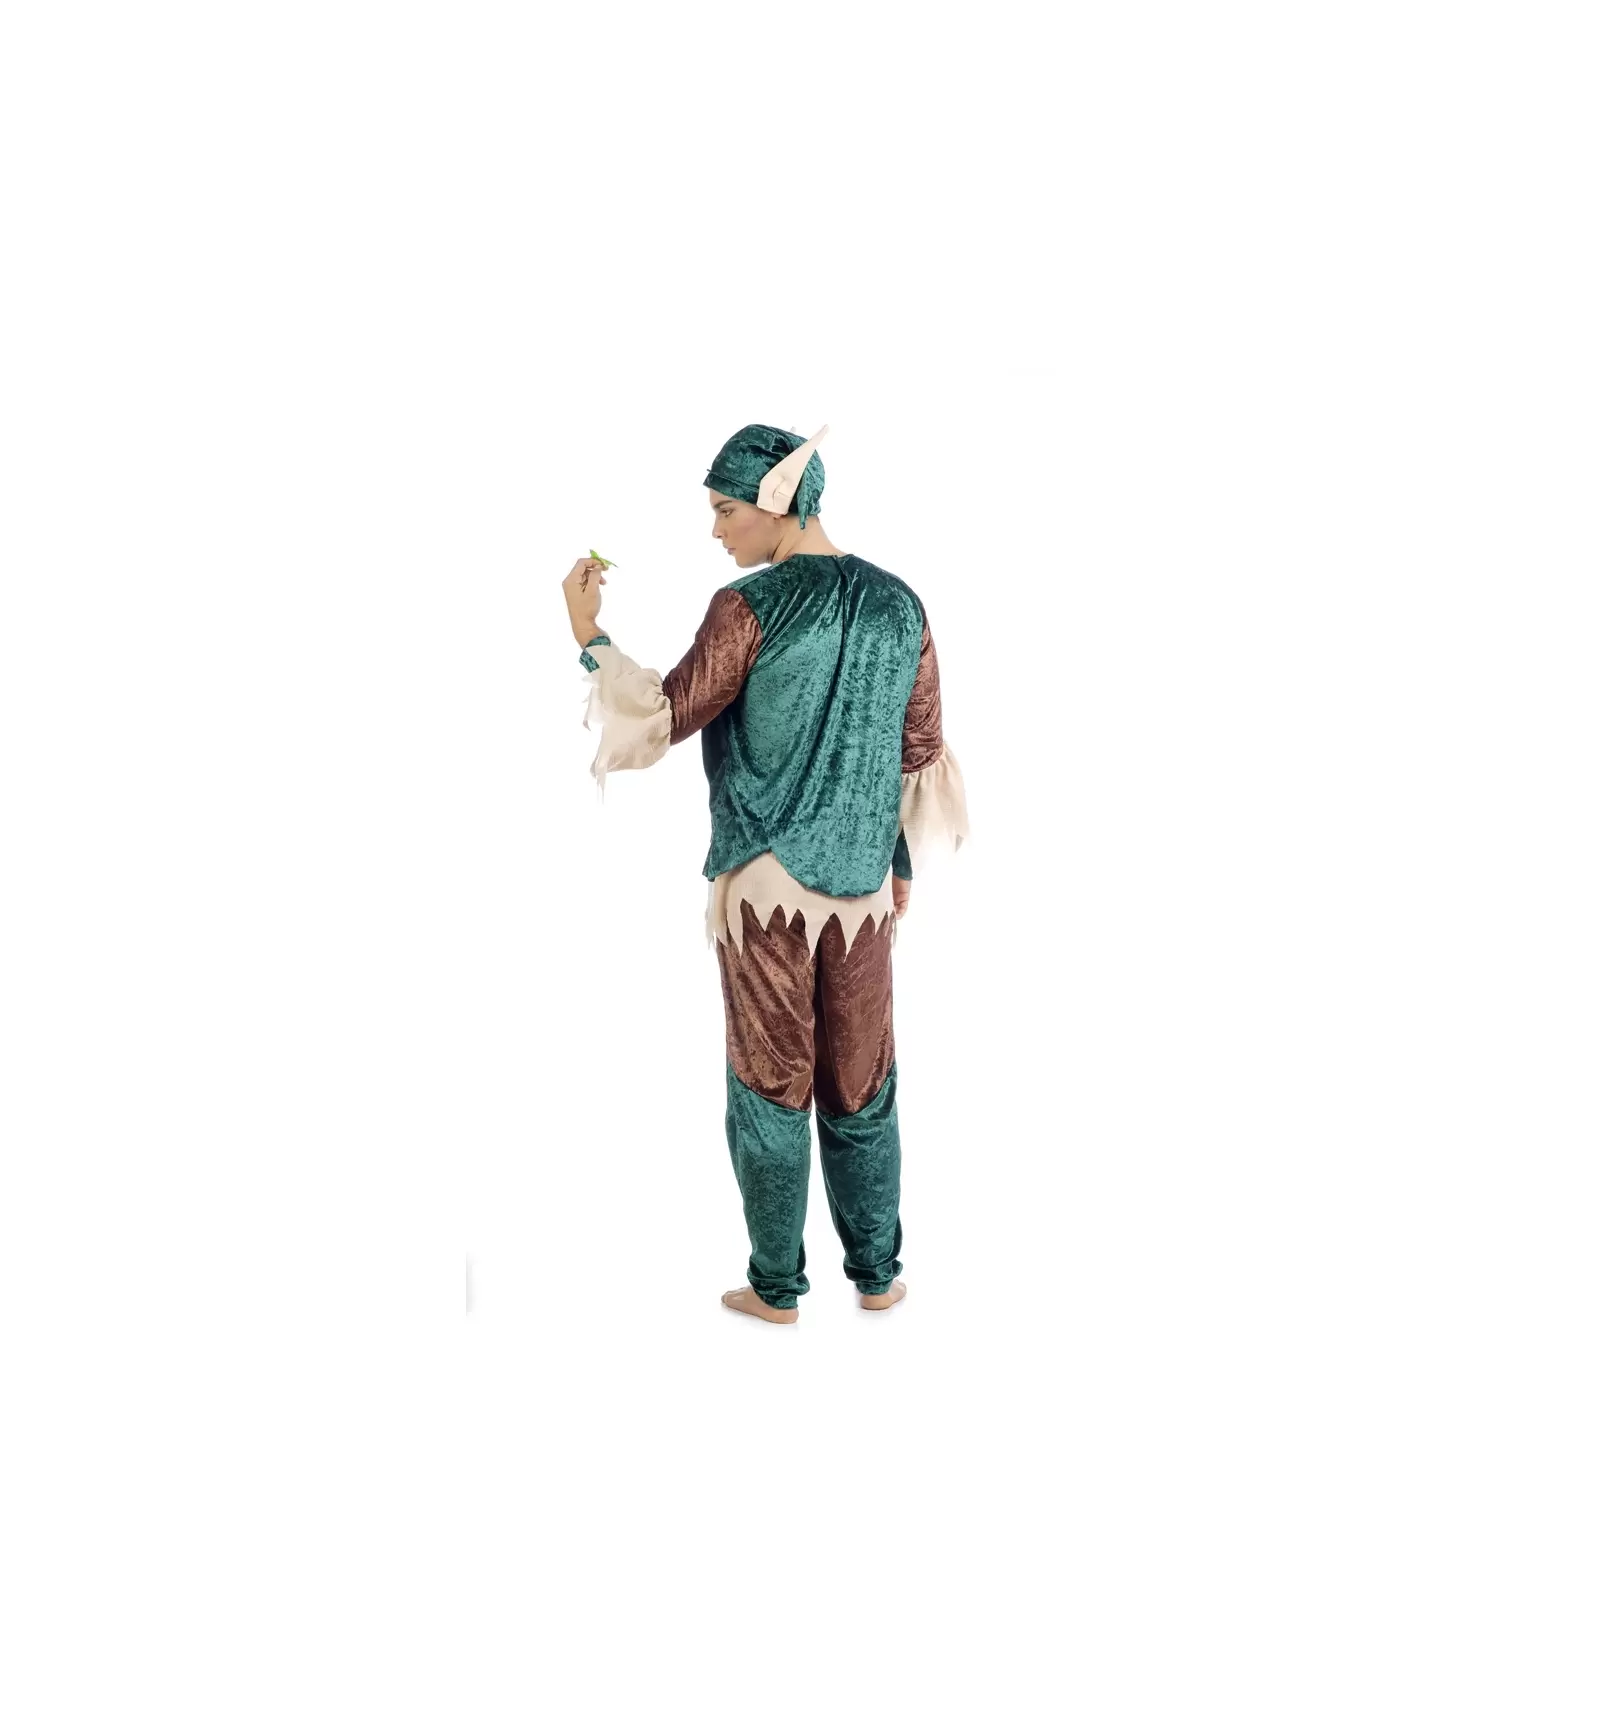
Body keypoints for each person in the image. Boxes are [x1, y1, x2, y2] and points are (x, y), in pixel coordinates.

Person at [560, 423, 968, 1325]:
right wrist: (897, 864)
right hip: (863, 894)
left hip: (765, 892)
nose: (717, 531)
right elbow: (917, 752)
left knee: (769, 1086)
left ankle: (776, 1288)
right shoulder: (901, 605)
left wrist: (589, 633)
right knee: (864, 1083)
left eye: (725, 510)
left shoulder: (748, 606)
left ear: (777, 502)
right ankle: (877, 1276)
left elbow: (667, 714)